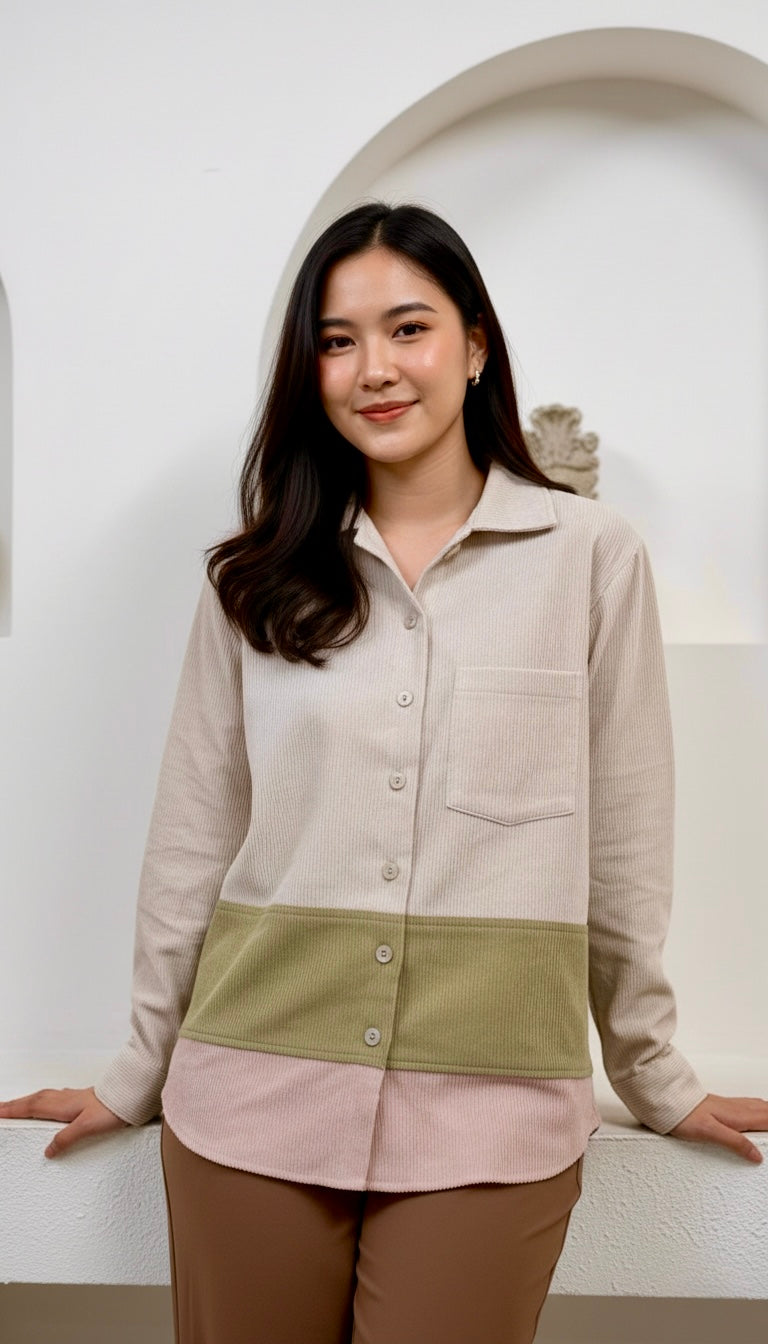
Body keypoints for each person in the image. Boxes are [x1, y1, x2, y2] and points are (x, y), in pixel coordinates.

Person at [2, 201, 766, 1344]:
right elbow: (195, 837)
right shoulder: (252, 581)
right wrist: (139, 1066)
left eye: (407, 328)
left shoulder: (590, 560)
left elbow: (625, 838)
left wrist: (653, 1071)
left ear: (475, 343)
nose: (373, 369)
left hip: (496, 1112)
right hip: (248, 1094)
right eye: (337, 340)